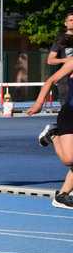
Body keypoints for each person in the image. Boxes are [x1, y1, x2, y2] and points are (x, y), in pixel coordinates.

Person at [28, 59, 73, 209]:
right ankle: (53, 134)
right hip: (70, 114)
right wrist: (39, 103)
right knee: (69, 159)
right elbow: (50, 80)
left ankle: (62, 196)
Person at [46, 11, 73, 105]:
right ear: (65, 23)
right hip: (66, 81)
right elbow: (50, 60)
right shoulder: (61, 39)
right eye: (71, 20)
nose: (72, 22)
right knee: (67, 110)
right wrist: (67, 60)